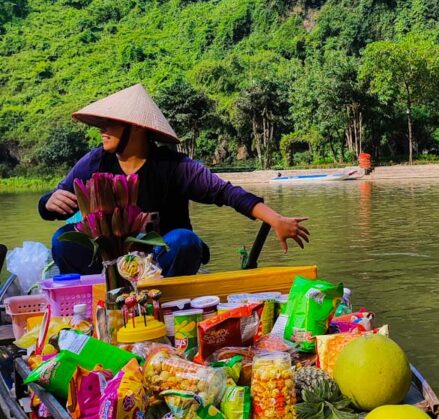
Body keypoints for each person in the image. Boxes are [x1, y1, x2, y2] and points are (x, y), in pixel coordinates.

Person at [39, 83, 309, 276]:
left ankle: (168, 304)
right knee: (63, 240)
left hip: (160, 262)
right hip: (110, 262)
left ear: (136, 128)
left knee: (185, 241)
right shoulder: (95, 162)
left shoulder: (174, 166)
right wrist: (47, 202)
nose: (102, 130)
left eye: (110, 123)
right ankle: (94, 302)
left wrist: (275, 219)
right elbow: (56, 202)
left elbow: (226, 193)